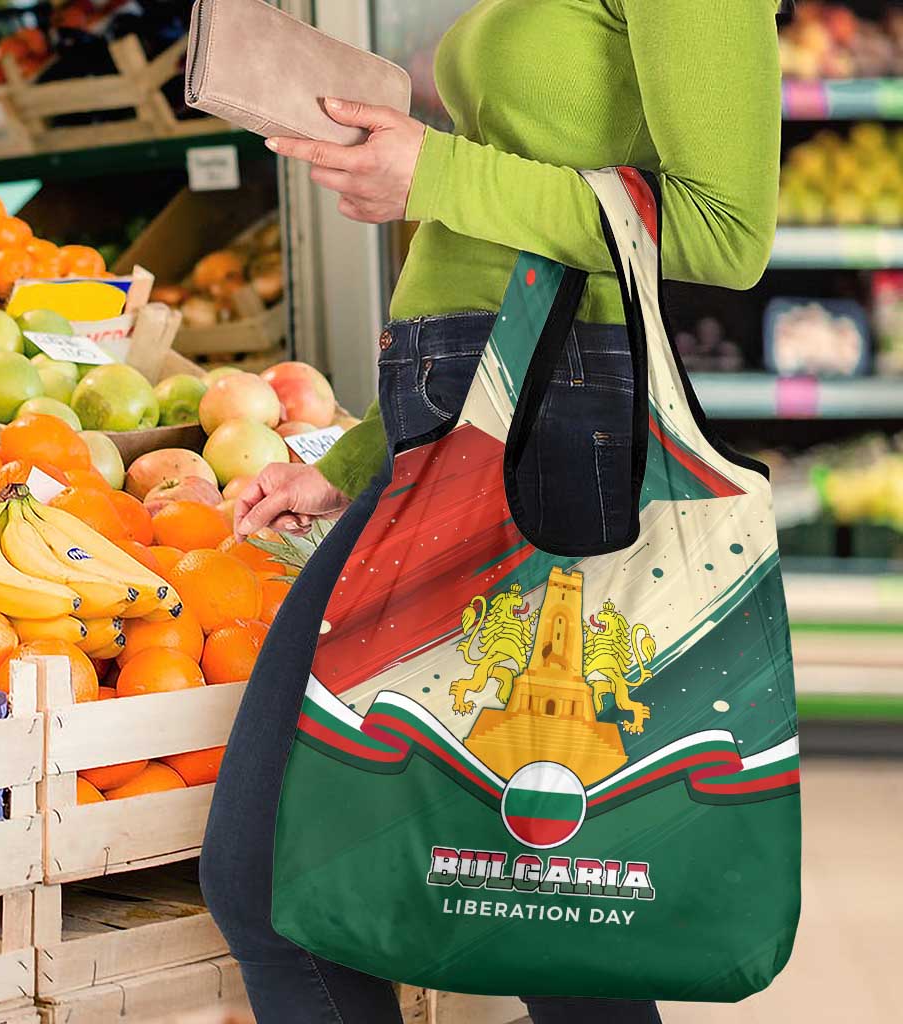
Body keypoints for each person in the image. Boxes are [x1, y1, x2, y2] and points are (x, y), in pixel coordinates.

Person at [201, 2, 784, 1021]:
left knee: (297, 881)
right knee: (536, 916)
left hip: (556, 435)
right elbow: (500, 253)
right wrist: (359, 458)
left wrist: (434, 172)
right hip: (471, 426)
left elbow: (726, 230)